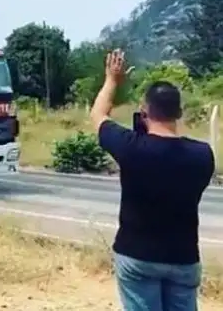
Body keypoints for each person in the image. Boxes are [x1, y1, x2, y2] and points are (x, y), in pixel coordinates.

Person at [90, 49, 215, 311]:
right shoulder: (203, 155)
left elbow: (98, 115)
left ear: (144, 111)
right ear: (179, 112)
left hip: (137, 255)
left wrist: (112, 79)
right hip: (183, 257)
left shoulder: (131, 147)